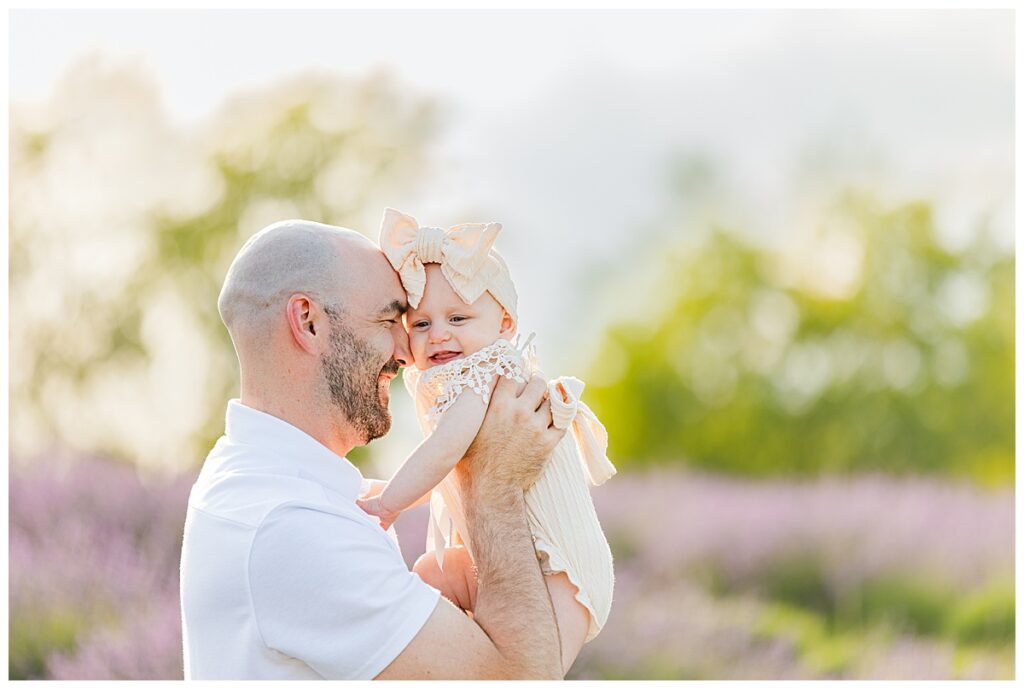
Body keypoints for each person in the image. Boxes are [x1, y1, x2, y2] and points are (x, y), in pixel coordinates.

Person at [179, 219, 581, 679]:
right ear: (308, 323)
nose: (409, 352)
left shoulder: (255, 480)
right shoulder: (292, 527)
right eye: (391, 320)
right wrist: (495, 485)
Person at [356, 208, 615, 669]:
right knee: (431, 574)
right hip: (517, 558)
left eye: (458, 318)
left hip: (557, 567)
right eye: (421, 324)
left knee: (535, 668)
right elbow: (453, 470)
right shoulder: (462, 379)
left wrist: (391, 502)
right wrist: (391, 490)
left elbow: (444, 451)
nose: (439, 335)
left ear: (505, 326)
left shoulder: (486, 374)